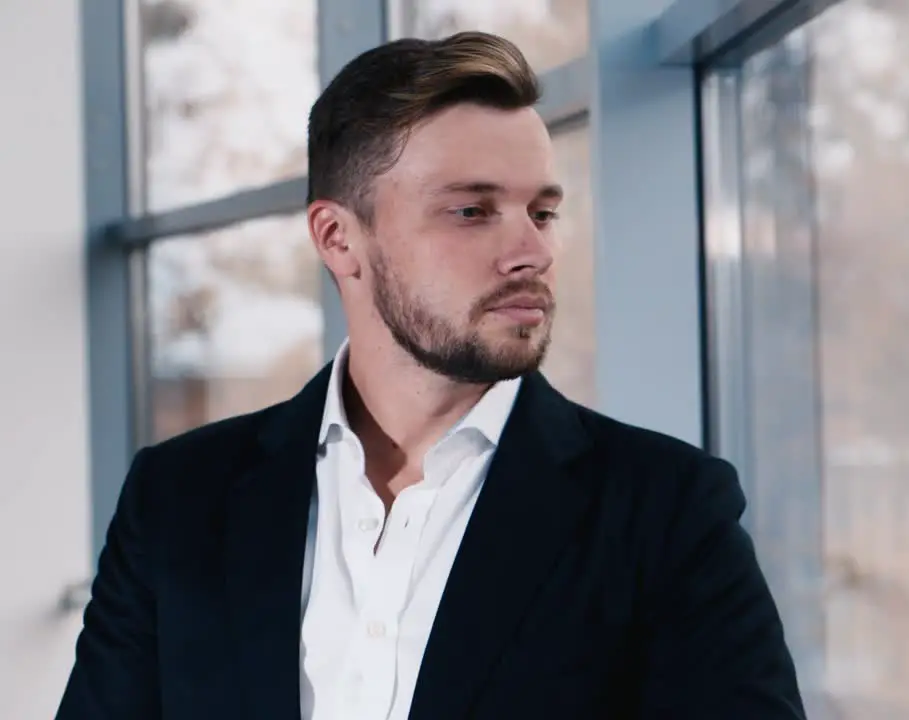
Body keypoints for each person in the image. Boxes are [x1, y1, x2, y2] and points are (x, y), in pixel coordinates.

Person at [56, 32, 804, 720]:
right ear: (339, 239)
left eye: (542, 213)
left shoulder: (667, 513)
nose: (531, 252)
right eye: (473, 211)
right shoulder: (178, 499)